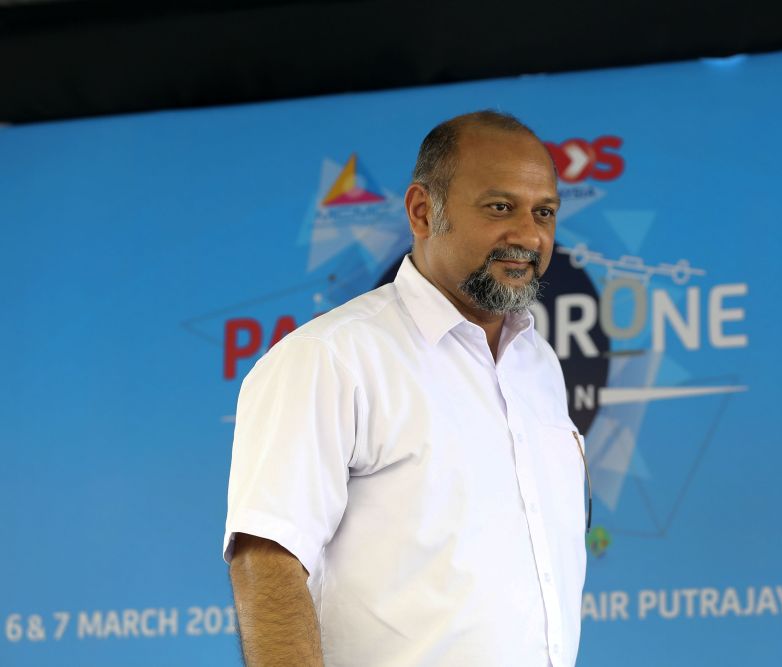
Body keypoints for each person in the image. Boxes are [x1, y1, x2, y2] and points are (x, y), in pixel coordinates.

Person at [224, 110, 587, 666]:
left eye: (544, 212)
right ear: (423, 211)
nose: (528, 235)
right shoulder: (330, 358)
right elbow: (267, 562)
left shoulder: (538, 365)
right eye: (499, 208)